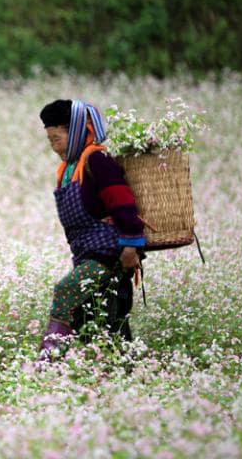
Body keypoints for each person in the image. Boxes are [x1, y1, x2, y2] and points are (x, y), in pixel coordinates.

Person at [38, 99, 145, 362]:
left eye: (57, 137)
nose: (53, 145)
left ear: (75, 131)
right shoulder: (66, 169)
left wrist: (131, 245)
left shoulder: (97, 160)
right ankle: (114, 370)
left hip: (110, 252)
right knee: (97, 316)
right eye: (50, 139)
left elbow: (122, 201)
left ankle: (47, 364)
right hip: (86, 254)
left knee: (65, 291)